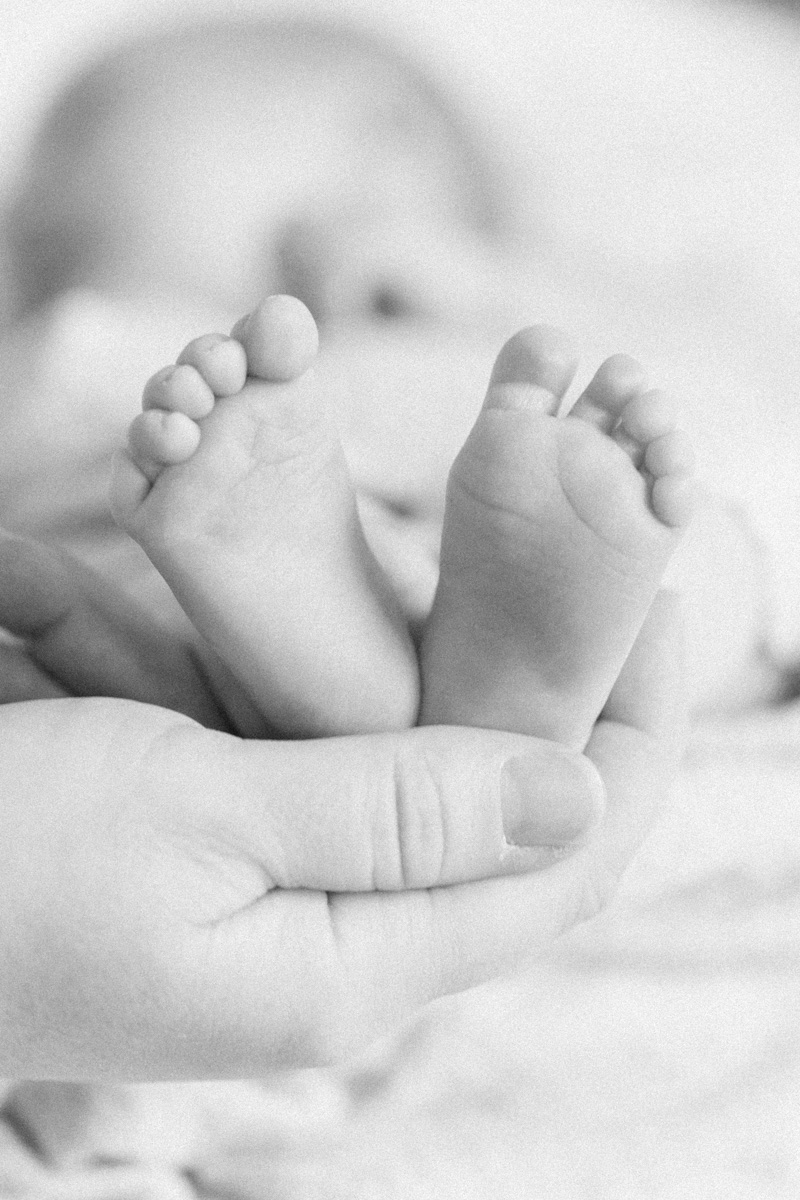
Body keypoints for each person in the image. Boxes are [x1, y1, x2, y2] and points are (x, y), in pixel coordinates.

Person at [0, 11, 698, 1101]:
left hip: (191, 505)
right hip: (188, 513)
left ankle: (334, 658)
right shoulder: (82, 343)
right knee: (674, 587)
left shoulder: (444, 330)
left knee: (709, 580)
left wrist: (462, 287)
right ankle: (421, 673)